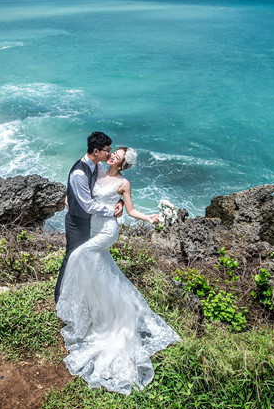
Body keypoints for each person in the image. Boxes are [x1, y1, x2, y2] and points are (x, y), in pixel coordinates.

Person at [55, 146, 181, 394]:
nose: (112, 156)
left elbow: (131, 210)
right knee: (101, 270)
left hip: (107, 231)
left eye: (118, 157)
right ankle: (95, 308)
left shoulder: (124, 183)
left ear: (123, 164)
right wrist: (69, 196)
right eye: (113, 153)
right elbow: (83, 189)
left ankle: (105, 318)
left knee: (82, 255)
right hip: (92, 227)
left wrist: (149, 218)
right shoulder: (99, 170)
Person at [54, 131, 124, 303]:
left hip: (92, 222)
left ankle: (84, 295)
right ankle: (60, 298)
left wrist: (120, 200)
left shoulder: (97, 166)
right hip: (77, 222)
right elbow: (88, 205)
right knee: (72, 258)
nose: (110, 153)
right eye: (107, 150)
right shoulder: (79, 172)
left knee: (90, 259)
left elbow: (105, 186)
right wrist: (111, 211)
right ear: (96, 151)